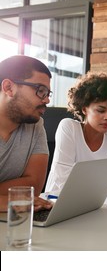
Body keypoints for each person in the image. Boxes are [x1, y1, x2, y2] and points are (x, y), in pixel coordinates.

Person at [45, 71, 107, 193]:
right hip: (56, 200)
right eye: (101, 110)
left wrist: (92, 181)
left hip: (93, 198)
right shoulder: (69, 127)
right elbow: (64, 181)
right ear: (84, 109)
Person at [0, 55, 53, 211]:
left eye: (48, 93)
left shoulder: (35, 124)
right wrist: (5, 201)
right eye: (40, 90)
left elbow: (34, 188)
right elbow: (24, 195)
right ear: (9, 87)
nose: (47, 100)